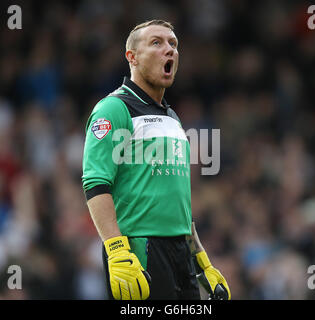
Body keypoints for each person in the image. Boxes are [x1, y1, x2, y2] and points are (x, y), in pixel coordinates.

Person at [82, 19, 230, 300]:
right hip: (140, 250)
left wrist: (202, 262)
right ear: (132, 57)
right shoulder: (114, 108)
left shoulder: (172, 119)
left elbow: (178, 202)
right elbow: (95, 182)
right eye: (157, 43)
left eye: (173, 44)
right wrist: (116, 250)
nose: (169, 50)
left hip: (181, 254)